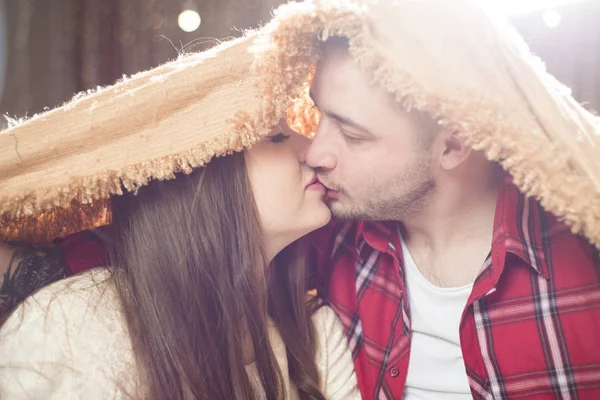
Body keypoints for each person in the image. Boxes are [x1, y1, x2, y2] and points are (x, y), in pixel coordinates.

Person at [250, 1, 600, 399]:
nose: (315, 153)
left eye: (353, 135)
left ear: (452, 144)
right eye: (319, 116)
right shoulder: (324, 234)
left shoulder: (583, 257)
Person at [0, 32, 360, 399]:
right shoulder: (68, 328)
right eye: (276, 136)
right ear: (201, 179)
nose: (312, 150)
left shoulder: (315, 335)